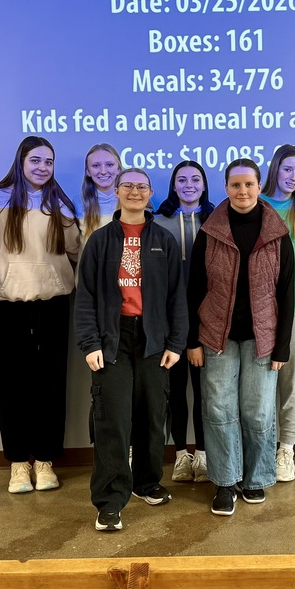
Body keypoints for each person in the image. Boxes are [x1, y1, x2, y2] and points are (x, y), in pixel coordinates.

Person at [75, 168, 187, 532]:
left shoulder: (164, 240)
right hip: (112, 339)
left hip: (154, 339)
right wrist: (90, 343)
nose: (135, 192)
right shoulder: (100, 241)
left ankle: (147, 482)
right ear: (117, 193)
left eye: (142, 186)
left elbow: (177, 297)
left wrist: (175, 343)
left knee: (153, 415)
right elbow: (86, 297)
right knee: (113, 421)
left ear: (151, 194)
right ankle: (110, 500)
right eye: (128, 186)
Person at [187, 159, 294, 516]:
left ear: (259, 186)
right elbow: (194, 289)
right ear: (226, 188)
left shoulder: (278, 234)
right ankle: (225, 481)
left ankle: (255, 478)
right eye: (235, 185)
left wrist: (282, 344)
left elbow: (286, 295)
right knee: (219, 410)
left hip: (263, 340)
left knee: (259, 412)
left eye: (249, 184)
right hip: (217, 337)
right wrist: (192, 341)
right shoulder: (210, 232)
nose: (242, 191)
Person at [0, 137, 80, 494]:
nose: (42, 167)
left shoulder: (62, 204)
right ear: (20, 161)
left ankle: (45, 461)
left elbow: (76, 252)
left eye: (48, 162)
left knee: (51, 384)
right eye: (35, 160)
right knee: (11, 385)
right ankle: (19, 463)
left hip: (52, 304)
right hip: (6, 306)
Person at [154, 160, 215, 482]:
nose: (189, 184)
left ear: (204, 185)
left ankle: (204, 455)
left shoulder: (217, 219)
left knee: (206, 392)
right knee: (175, 390)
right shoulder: (158, 222)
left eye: (195, 179)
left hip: (208, 319)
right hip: (170, 320)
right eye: (182, 180)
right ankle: (181, 455)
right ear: (173, 186)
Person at [260, 145, 295, 482]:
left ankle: (286, 450)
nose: (293, 177)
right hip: (262, 308)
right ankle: (263, 447)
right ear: (275, 169)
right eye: (288, 169)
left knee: (292, 382)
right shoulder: (258, 204)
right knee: (263, 382)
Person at [78, 143, 122, 244]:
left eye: (109, 165)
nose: (103, 171)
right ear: (87, 171)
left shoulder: (134, 200)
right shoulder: (78, 203)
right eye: (96, 166)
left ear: (118, 169)